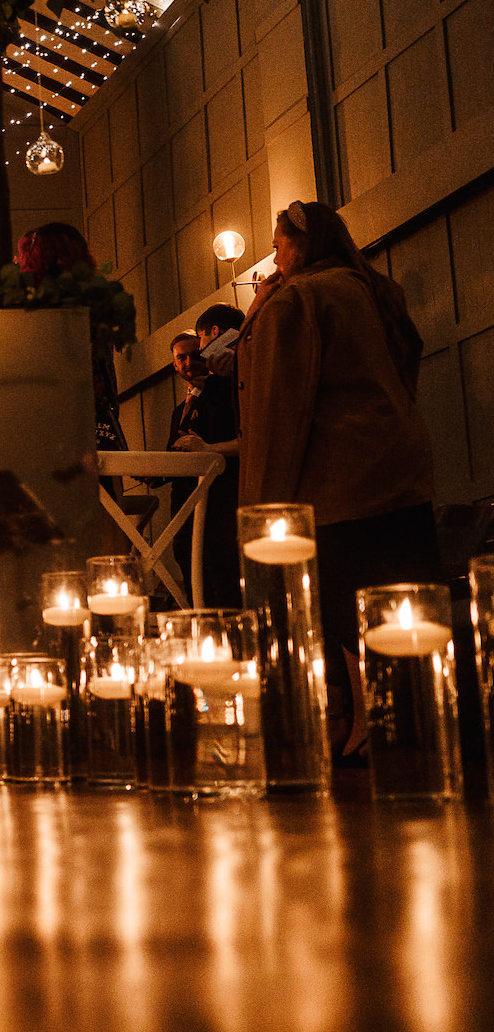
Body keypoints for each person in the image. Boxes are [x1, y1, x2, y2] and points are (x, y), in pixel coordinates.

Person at [238, 200, 438, 757]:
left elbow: (281, 407)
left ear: (302, 244)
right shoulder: (373, 288)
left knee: (343, 607)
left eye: (279, 246)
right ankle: (419, 722)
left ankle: (367, 720)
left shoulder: (299, 300)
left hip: (336, 482)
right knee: (402, 601)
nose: (274, 259)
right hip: (398, 466)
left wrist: (261, 509)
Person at [17, 222, 129, 453]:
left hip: (56, 428)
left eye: (24, 255)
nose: (18, 262)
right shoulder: (90, 302)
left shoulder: (47, 307)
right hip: (90, 425)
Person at [167, 306, 244, 608]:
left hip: (219, 499)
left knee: (222, 580)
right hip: (184, 501)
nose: (194, 359)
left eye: (197, 349)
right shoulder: (180, 408)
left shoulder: (223, 391)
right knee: (191, 568)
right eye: (181, 358)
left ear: (214, 336)